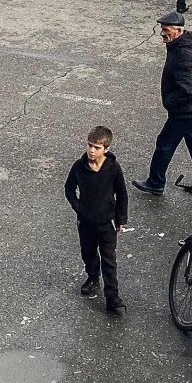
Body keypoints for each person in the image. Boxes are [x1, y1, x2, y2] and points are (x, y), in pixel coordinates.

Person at [134, 12, 192, 197]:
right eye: (162, 29)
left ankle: (156, 182)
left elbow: (187, 90)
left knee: (164, 144)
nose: (161, 33)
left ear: (177, 31)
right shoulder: (184, 44)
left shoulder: (184, 55)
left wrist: (169, 102)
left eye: (166, 30)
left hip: (183, 111)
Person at [64, 126, 128, 313]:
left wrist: (121, 218)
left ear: (106, 149)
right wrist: (79, 208)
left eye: (97, 147)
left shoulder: (113, 168)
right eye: (90, 145)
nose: (92, 150)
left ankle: (112, 296)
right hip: (86, 222)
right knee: (88, 252)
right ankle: (92, 276)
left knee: (109, 259)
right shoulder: (79, 167)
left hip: (107, 221)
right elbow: (69, 189)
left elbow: (122, 194)